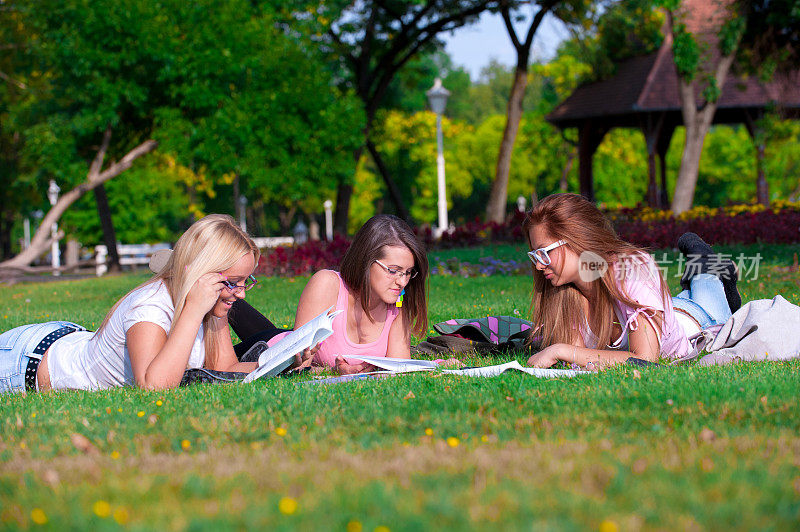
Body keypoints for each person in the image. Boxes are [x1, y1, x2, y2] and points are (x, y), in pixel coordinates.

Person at [0, 214, 265, 393]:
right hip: (23, 361)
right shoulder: (150, 307)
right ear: (199, 274)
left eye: (245, 281)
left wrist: (286, 363)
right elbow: (153, 386)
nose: (240, 293)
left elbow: (225, 369)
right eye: (232, 282)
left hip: (67, 339)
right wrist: (194, 310)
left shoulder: (213, 301)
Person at [523, 193, 739, 370]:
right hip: (665, 308)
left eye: (544, 253)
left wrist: (561, 350)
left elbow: (645, 359)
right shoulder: (563, 292)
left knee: (707, 279)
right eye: (535, 255)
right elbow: (578, 361)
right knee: (686, 293)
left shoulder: (631, 270)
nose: (539, 266)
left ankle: (711, 267)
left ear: (577, 238)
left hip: (696, 322)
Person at [228, 214, 430, 374]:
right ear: (367, 261)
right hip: (268, 349)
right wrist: (333, 372)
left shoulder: (399, 302)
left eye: (408, 272)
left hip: (285, 337)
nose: (402, 281)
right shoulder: (328, 284)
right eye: (393, 270)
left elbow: (399, 368)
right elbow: (298, 366)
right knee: (225, 306)